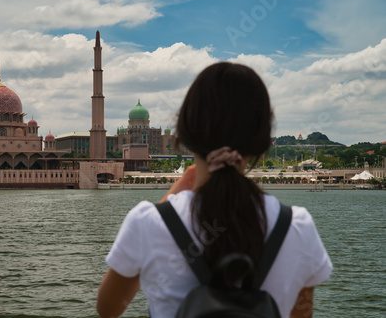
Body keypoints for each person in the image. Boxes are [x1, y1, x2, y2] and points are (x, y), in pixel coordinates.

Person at [97, 62, 332, 318]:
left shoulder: (148, 222)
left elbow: (109, 309)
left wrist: (168, 202)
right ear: (263, 140)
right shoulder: (297, 226)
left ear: (184, 134)